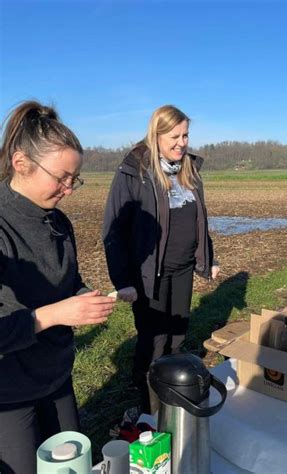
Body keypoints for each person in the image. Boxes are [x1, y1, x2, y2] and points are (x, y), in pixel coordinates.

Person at [0, 101, 116, 473]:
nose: (68, 189)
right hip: (9, 390)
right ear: (21, 163)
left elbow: (70, 281)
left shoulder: (58, 222)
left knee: (73, 466)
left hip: (57, 374)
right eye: (61, 177)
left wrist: (83, 297)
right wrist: (58, 314)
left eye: (74, 179)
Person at [102, 105, 219, 413]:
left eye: (186, 135)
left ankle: (173, 390)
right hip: (148, 274)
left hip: (182, 269)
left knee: (178, 334)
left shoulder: (189, 169)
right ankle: (150, 404)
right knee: (154, 338)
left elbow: (199, 219)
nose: (182, 143)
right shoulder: (134, 171)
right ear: (156, 135)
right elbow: (113, 229)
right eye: (175, 136)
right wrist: (124, 280)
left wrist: (208, 256)